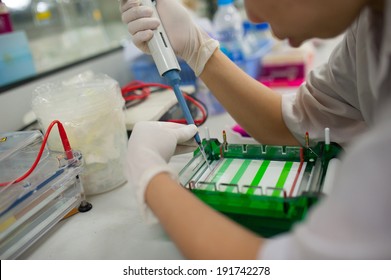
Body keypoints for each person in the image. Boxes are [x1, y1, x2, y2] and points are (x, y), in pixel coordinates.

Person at [120, 0, 391, 259]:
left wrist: (150, 176)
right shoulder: (371, 26)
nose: (253, 17)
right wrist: (197, 48)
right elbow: (296, 122)